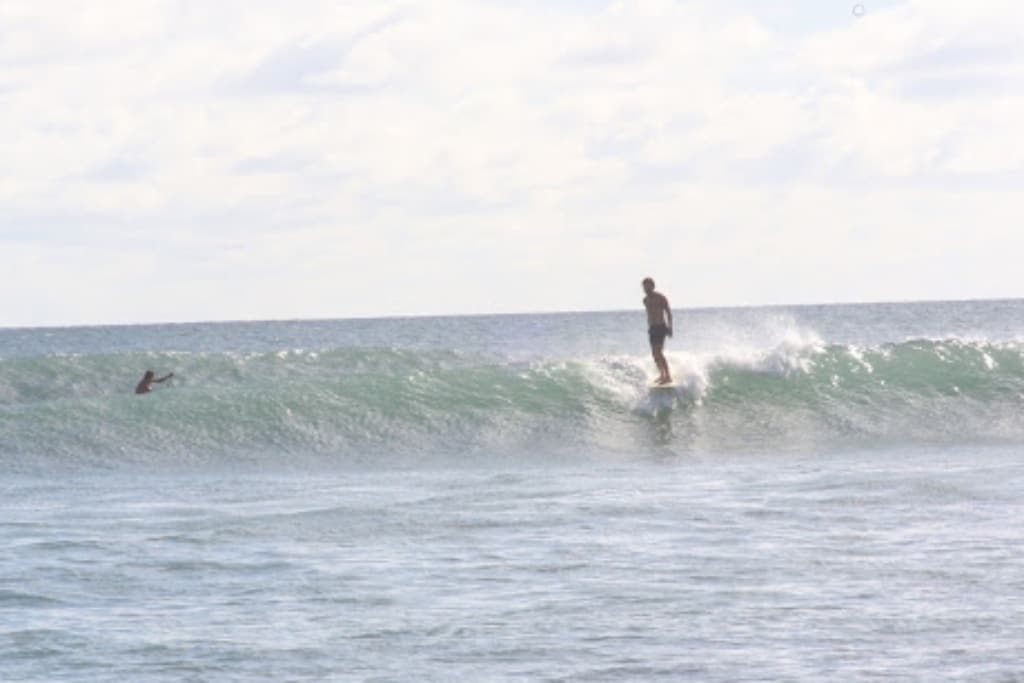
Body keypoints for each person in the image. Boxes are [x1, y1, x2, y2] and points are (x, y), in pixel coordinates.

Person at [642, 277, 673, 384]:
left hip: (661, 327)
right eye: (644, 286)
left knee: (659, 352)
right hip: (652, 329)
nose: (646, 288)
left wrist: (670, 327)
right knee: (654, 355)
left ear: (653, 286)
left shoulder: (660, 298)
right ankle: (661, 374)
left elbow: (668, 312)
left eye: (648, 286)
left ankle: (668, 376)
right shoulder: (645, 300)